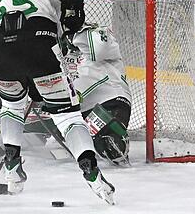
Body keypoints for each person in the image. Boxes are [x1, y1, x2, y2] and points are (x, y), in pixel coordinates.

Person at [0, 0, 115, 203]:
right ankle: (93, 175)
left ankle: (12, 169)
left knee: (12, 107)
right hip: (36, 44)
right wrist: (69, 4)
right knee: (67, 115)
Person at [27, 23, 132, 166]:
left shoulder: (97, 35)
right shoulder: (59, 53)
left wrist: (71, 36)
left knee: (112, 145)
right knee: (28, 130)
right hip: (78, 109)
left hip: (110, 102)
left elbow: (101, 45)